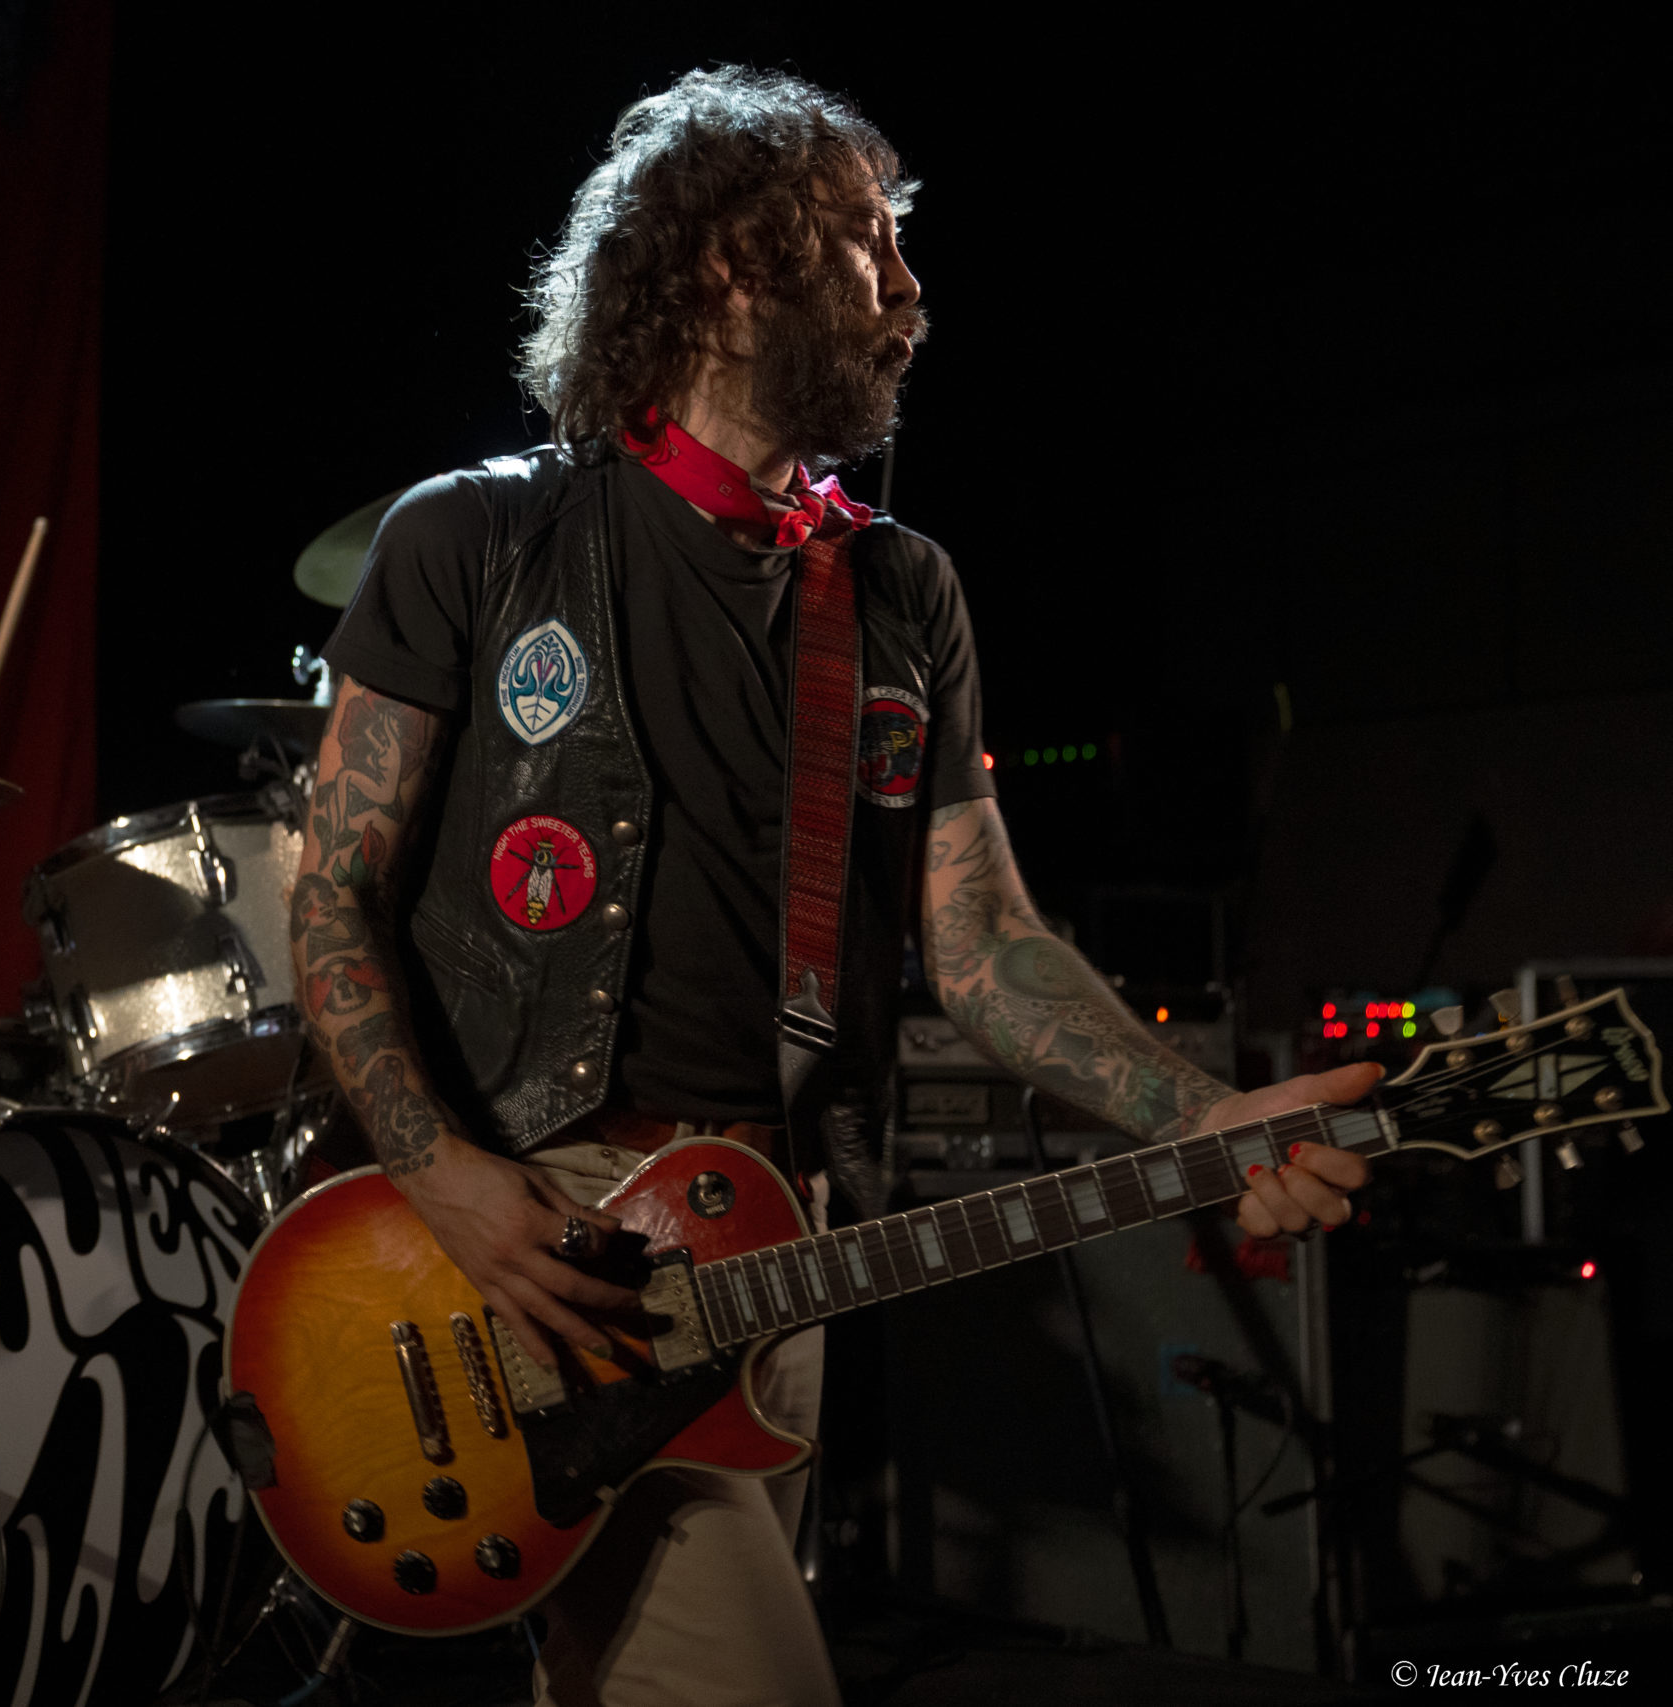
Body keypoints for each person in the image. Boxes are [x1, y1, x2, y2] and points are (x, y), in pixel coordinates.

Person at [289, 68, 1375, 1707]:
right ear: (736, 261)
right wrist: (441, 1173)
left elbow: (983, 939)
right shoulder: (476, 539)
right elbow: (332, 897)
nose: (911, 290)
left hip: (779, 1239)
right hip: (545, 1241)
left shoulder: (897, 590)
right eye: (872, 243)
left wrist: (1202, 1115)